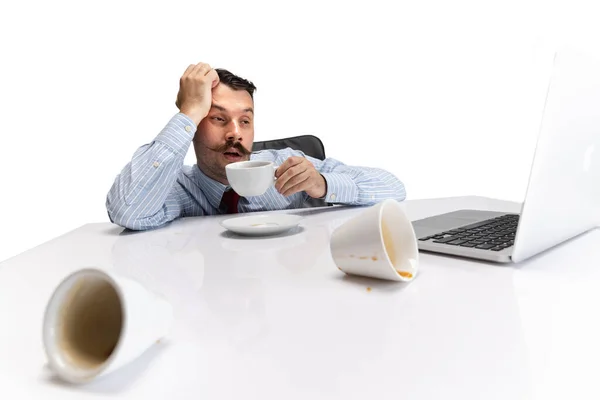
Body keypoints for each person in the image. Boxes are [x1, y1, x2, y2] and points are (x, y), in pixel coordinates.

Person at [106, 63, 407, 230]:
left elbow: (393, 189)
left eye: (245, 121)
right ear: (194, 128)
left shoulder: (287, 164)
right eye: (218, 118)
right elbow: (129, 211)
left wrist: (323, 184)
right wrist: (189, 111)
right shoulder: (177, 188)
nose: (235, 134)